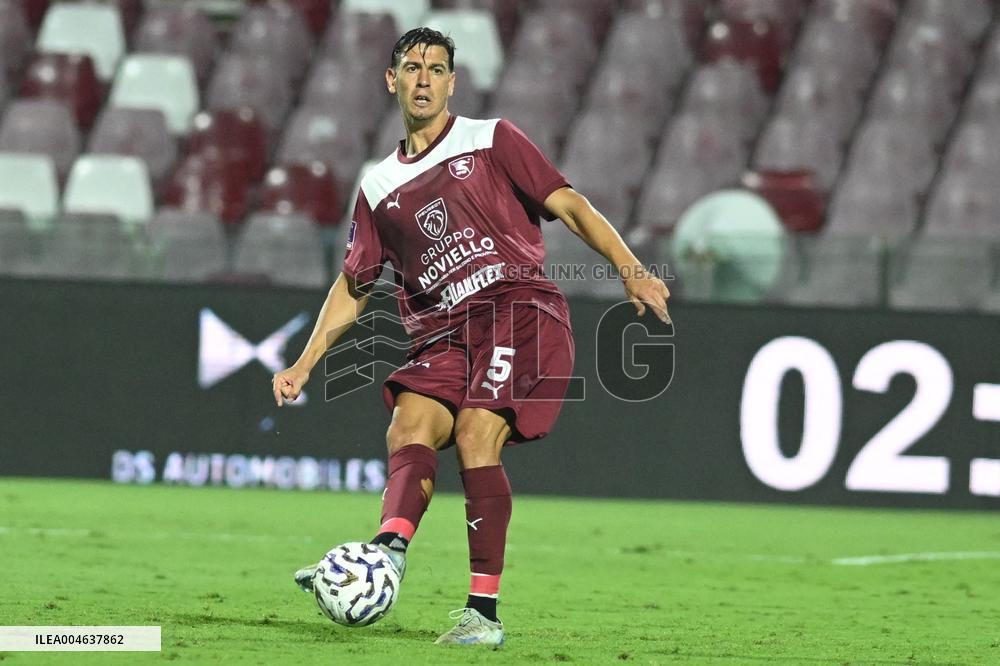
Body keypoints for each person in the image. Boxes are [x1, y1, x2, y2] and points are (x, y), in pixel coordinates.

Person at [273, 27, 671, 646]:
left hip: (518, 309)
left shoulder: (491, 139)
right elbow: (354, 286)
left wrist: (632, 269)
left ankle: (482, 616)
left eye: (436, 68)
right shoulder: (378, 188)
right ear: (392, 81)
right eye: (412, 67)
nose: (424, 78)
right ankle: (384, 558)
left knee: (475, 431)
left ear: (452, 82)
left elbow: (570, 205)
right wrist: (304, 362)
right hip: (442, 336)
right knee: (408, 427)